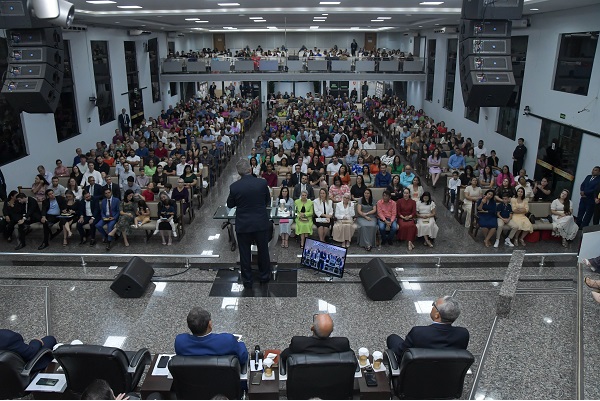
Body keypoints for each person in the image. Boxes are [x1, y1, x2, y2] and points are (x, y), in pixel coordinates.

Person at [227, 159, 272, 289]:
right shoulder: (262, 183)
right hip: (260, 223)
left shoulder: (234, 187)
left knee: (245, 253)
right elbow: (267, 202)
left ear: (239, 172)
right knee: (263, 251)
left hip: (243, 224)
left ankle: (247, 280)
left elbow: (230, 204)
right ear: (250, 169)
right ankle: (264, 277)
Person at [386, 296, 469, 361]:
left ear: (437, 315)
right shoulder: (463, 334)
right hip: (447, 374)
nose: (432, 306)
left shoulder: (418, 332)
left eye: (434, 304)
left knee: (392, 338)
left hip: (416, 374)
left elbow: (402, 354)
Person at [175, 307, 248, 365]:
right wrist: (239, 343)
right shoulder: (227, 340)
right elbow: (243, 357)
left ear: (188, 326)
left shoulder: (180, 341)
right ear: (210, 324)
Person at [280, 313, 351, 366]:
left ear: (312, 328)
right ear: (332, 330)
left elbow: (283, 356)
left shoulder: (298, 343)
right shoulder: (342, 344)